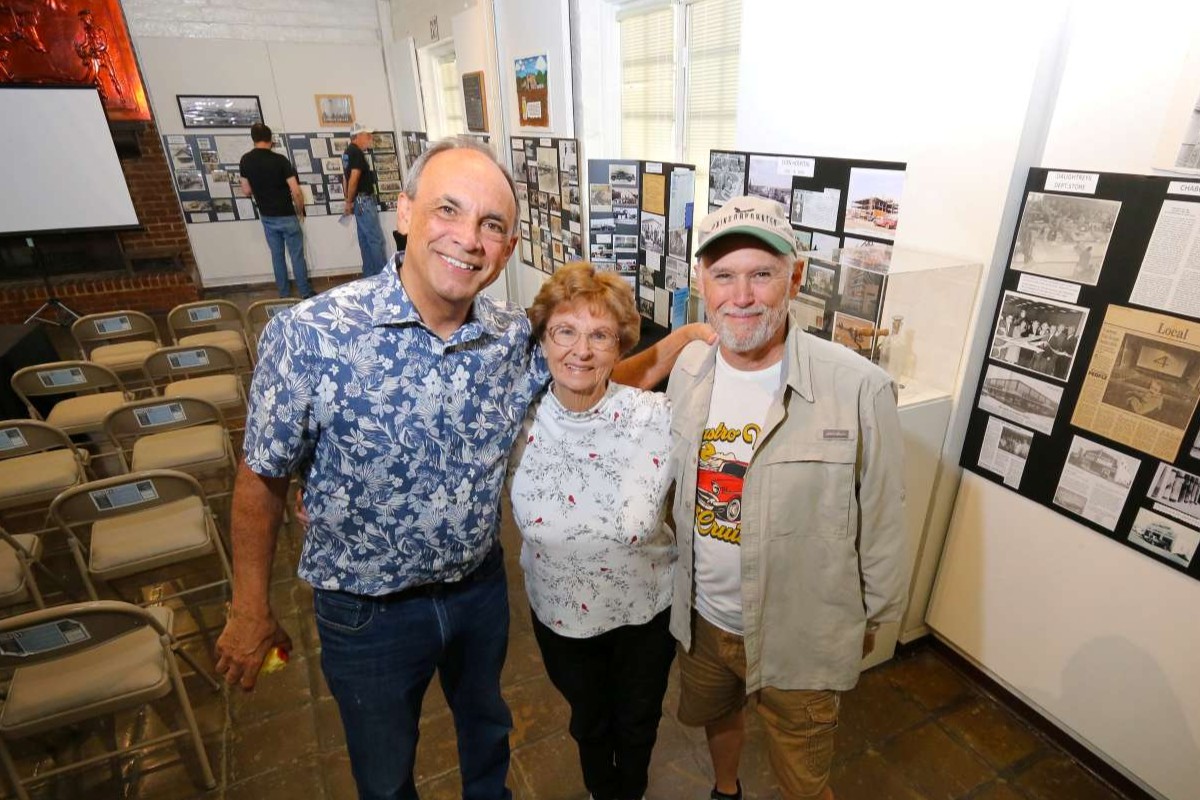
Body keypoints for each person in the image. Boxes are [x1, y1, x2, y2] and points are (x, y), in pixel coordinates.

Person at [214, 137, 707, 800]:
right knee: (385, 777)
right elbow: (263, 476)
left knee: (487, 749)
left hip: (477, 595)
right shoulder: (313, 333)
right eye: (449, 210)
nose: (468, 239)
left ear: (505, 250)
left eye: (491, 225)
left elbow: (592, 372)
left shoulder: (510, 336)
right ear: (404, 213)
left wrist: (689, 337)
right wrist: (249, 608)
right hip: (368, 612)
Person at [666, 196, 908, 800]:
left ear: (794, 278)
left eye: (761, 274)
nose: (740, 296)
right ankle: (727, 789)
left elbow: (882, 518)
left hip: (799, 630)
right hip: (703, 619)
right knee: (718, 717)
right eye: (723, 275)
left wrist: (872, 617)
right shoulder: (688, 371)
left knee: (804, 773)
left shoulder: (857, 387)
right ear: (702, 281)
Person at [508, 263, 676, 800]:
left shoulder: (657, 416)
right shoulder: (514, 421)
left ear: (620, 346)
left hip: (644, 615)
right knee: (588, 721)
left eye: (600, 335)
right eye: (566, 331)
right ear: (544, 339)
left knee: (638, 724)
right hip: (560, 617)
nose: (581, 350)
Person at [239, 123, 313, 299]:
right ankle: (305, 293)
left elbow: (246, 190)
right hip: (287, 214)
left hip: (267, 217)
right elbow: (295, 190)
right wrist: (300, 208)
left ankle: (284, 295)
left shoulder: (245, 160)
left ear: (253, 139)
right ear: (270, 139)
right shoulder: (280, 160)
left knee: (277, 257)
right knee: (296, 256)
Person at [342, 121, 388, 277]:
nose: (370, 138)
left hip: (358, 202)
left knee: (365, 240)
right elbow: (353, 179)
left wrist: (348, 200)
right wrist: (349, 201)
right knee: (375, 240)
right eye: (367, 135)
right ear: (358, 136)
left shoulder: (348, 152)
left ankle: (369, 276)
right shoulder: (356, 153)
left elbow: (346, 178)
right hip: (364, 201)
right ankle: (383, 278)